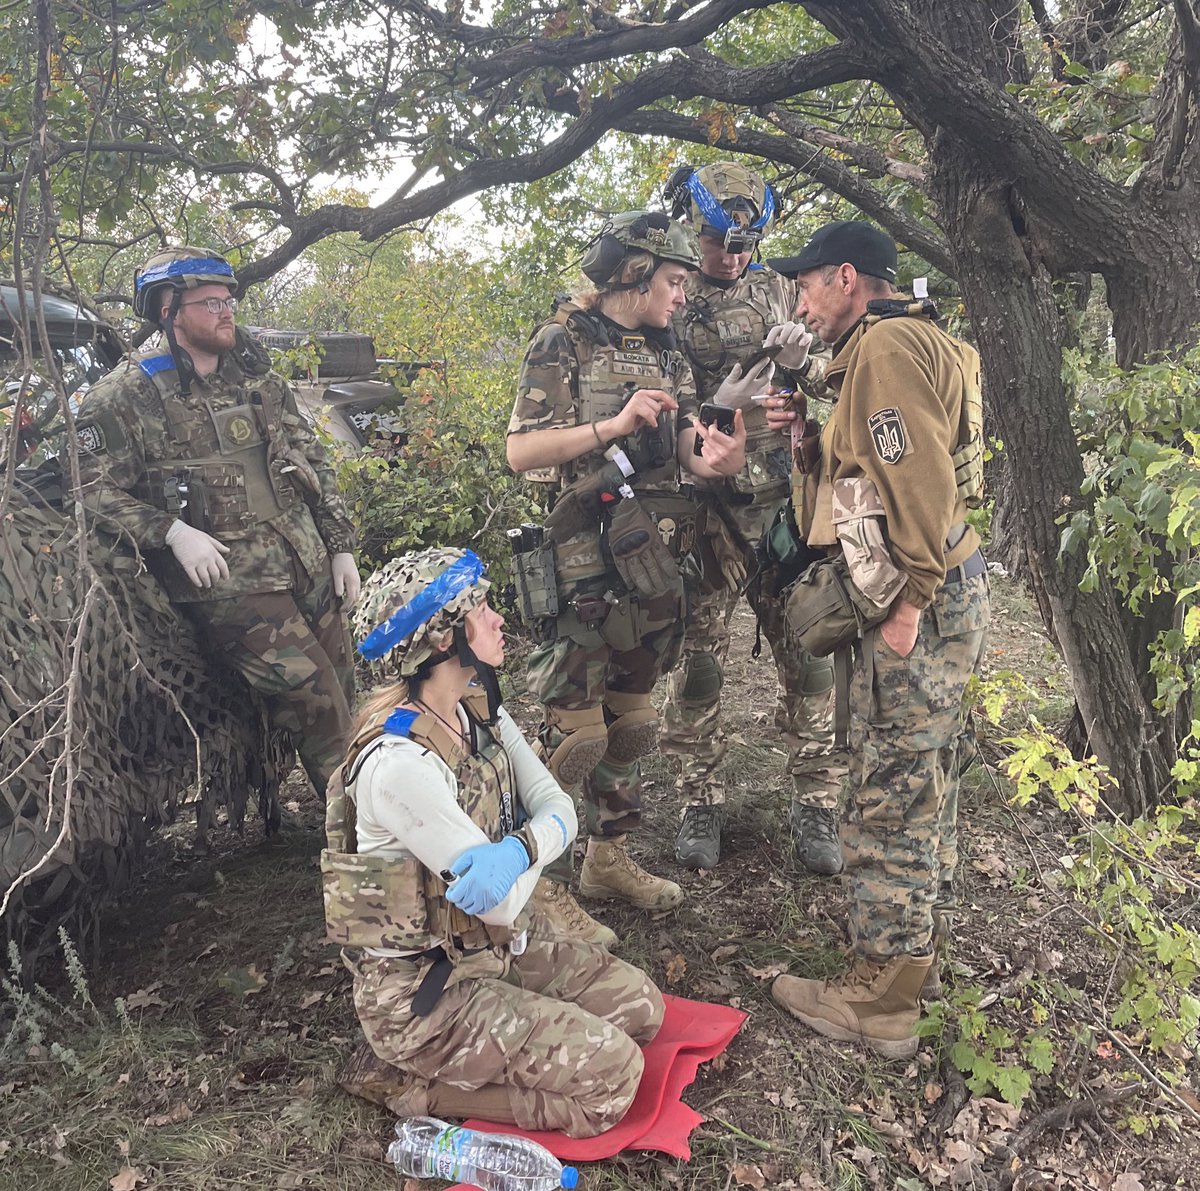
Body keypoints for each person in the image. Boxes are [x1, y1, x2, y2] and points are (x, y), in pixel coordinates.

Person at [327, 548, 665, 1137]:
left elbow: (559, 808)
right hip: (423, 1001)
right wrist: (536, 845)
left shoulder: (475, 705)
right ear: (441, 639)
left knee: (643, 1010)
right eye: (478, 607)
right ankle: (417, 1090)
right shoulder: (398, 763)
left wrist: (518, 853)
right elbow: (500, 900)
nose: (497, 617)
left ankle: (497, 1050)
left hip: (487, 953)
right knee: (613, 1081)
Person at [764, 221, 989, 1057]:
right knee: (924, 776)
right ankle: (913, 957)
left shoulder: (887, 351)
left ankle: (883, 998)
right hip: (940, 590)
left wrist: (908, 605)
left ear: (848, 277)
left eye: (807, 283)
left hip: (917, 603)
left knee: (888, 787)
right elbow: (869, 473)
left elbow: (920, 484)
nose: (800, 300)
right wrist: (805, 444)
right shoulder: (897, 344)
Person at [506, 210, 747, 944]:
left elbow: (680, 446)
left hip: (652, 556)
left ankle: (607, 856)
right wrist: (611, 428)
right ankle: (537, 882)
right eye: (673, 280)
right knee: (571, 734)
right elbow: (521, 452)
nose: (682, 294)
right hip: (582, 560)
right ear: (635, 275)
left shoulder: (666, 349)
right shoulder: (563, 340)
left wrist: (715, 459)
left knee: (631, 721)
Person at [75, 246, 358, 799]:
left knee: (345, 685)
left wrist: (340, 544)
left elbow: (310, 460)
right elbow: (87, 487)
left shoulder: (256, 380)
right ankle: (368, 837)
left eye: (228, 301)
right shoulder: (125, 395)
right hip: (229, 584)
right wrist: (171, 533)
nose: (226, 312)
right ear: (167, 309)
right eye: (209, 303)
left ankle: (375, 817)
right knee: (315, 696)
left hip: (303, 558)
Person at [659, 161, 843, 873]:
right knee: (701, 663)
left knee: (812, 656)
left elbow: (824, 375)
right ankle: (697, 796)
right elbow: (662, 392)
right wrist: (705, 424)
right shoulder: (673, 292)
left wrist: (801, 368)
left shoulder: (774, 289)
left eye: (746, 242)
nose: (731, 256)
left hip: (785, 507)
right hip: (711, 510)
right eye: (718, 241)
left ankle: (818, 801)